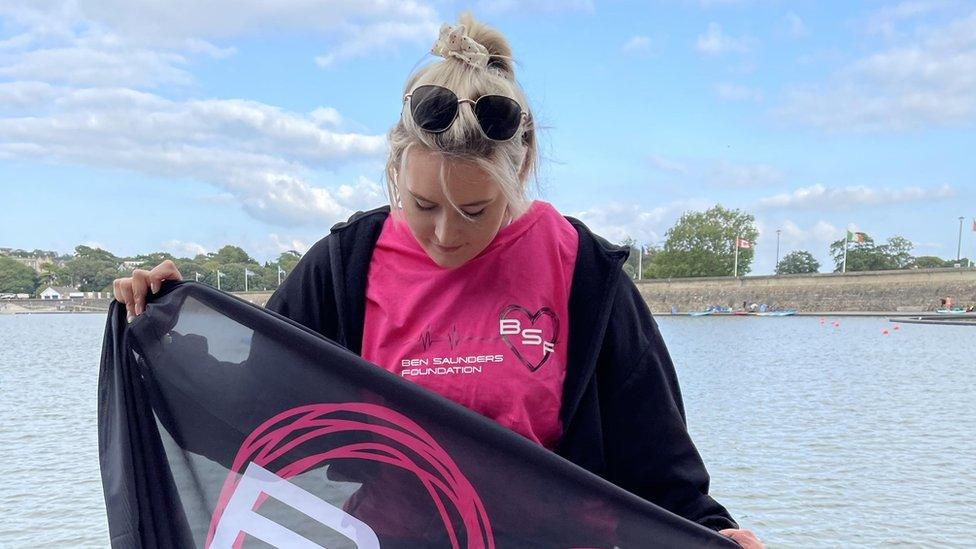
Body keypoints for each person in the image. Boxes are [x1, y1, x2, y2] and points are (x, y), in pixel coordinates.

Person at [114, 12, 762, 548]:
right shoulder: (347, 267)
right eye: (422, 205)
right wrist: (166, 323)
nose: (446, 235)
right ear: (395, 165)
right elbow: (251, 409)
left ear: (523, 164)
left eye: (475, 211)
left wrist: (713, 531)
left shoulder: (584, 274)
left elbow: (657, 463)